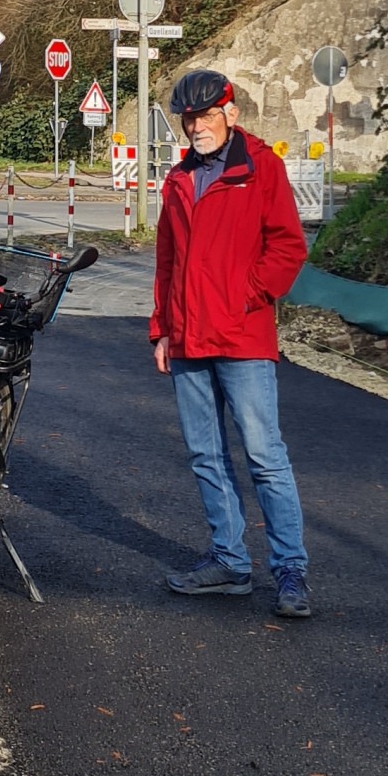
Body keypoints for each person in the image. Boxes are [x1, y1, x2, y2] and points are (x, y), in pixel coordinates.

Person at [150, 68, 312, 619]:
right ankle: (230, 561)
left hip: (243, 337)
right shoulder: (178, 180)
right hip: (187, 338)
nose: (196, 126)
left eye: (206, 116)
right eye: (188, 119)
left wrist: (245, 295)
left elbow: (287, 248)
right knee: (206, 455)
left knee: (265, 456)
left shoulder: (261, 167)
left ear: (231, 113)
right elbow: (167, 261)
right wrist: (161, 329)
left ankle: (290, 571)